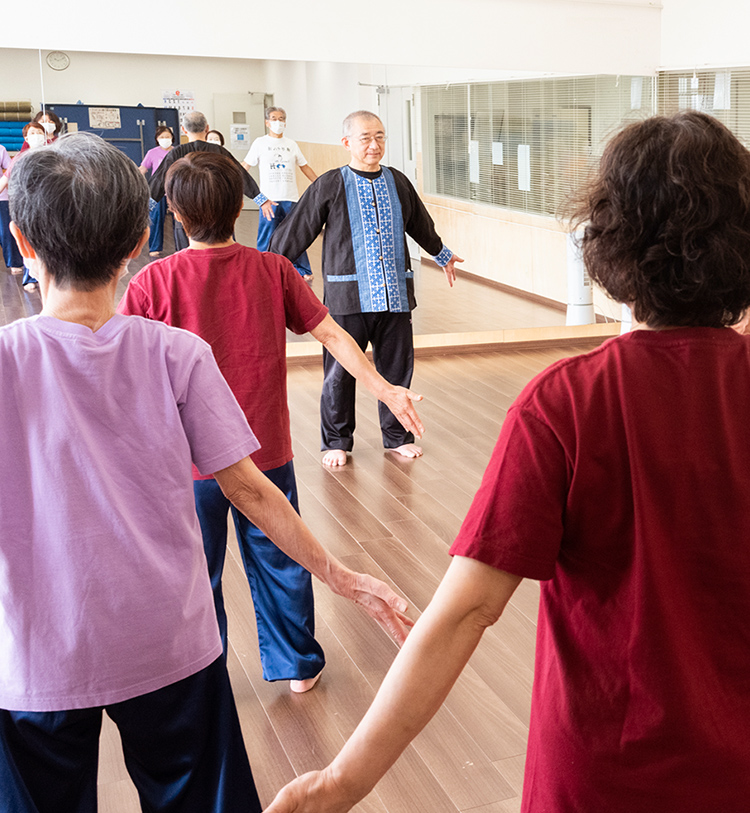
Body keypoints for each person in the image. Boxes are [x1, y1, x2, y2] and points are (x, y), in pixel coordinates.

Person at [264, 110, 750, 813]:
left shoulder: (567, 404)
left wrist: (341, 781)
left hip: (599, 779)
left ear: (610, 235)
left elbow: (465, 613)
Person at [0, 132, 413, 813]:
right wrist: (343, 576)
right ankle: (297, 660)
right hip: (171, 647)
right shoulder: (177, 353)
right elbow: (250, 488)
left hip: (36, 657)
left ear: (22, 242)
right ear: (138, 240)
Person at [119, 151, 424, 692]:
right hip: (265, 453)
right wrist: (384, 388)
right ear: (239, 207)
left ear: (177, 214)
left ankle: (199, 670)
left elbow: (121, 375)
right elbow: (332, 336)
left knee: (194, 573)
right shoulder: (273, 269)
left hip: (187, 464)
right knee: (282, 559)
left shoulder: (153, 282)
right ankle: (298, 666)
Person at [269, 110, 463, 467]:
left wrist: (442, 254)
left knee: (396, 370)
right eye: (365, 138)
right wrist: (267, 267)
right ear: (347, 143)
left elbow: (420, 225)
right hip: (347, 298)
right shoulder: (330, 183)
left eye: (380, 137)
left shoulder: (399, 182)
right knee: (340, 373)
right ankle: (336, 441)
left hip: (396, 297)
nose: (374, 145)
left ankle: (396, 437)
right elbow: (298, 229)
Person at [149, 110, 274, 251]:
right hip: (219, 212)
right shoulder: (219, 152)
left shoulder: (176, 153)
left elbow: (158, 181)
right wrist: (261, 200)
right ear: (207, 128)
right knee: (224, 253)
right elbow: (241, 175)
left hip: (186, 214)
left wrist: (146, 208)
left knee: (188, 258)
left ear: (183, 130)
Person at [242, 106, 317, 281]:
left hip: (291, 197)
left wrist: (320, 183)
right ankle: (262, 267)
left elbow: (304, 166)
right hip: (269, 200)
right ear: (267, 122)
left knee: (296, 233)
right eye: (274, 118)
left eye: (282, 118)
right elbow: (244, 167)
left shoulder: (291, 144)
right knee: (267, 234)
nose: (278, 122)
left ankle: (302, 269)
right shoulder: (260, 143)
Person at [0, 121, 48, 290]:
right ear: (26, 138)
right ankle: (30, 278)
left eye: (39, 132)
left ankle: (51, 277)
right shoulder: (19, 158)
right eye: (33, 133)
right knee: (30, 240)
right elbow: (5, 180)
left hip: (50, 204)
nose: (37, 136)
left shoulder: (53, 154)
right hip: (28, 204)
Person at [139, 126, 175, 257]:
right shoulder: (152, 153)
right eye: (162, 137)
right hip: (157, 191)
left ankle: (181, 246)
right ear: (157, 139)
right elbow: (143, 169)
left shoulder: (178, 152)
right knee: (155, 218)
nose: (165, 139)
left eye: (167, 136)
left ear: (172, 137)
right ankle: (155, 248)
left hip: (174, 190)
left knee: (179, 221)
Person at [0, 143, 23, 275]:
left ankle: (14, 262)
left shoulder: (1, 149)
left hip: (1, 197)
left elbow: (10, 170)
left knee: (6, 232)